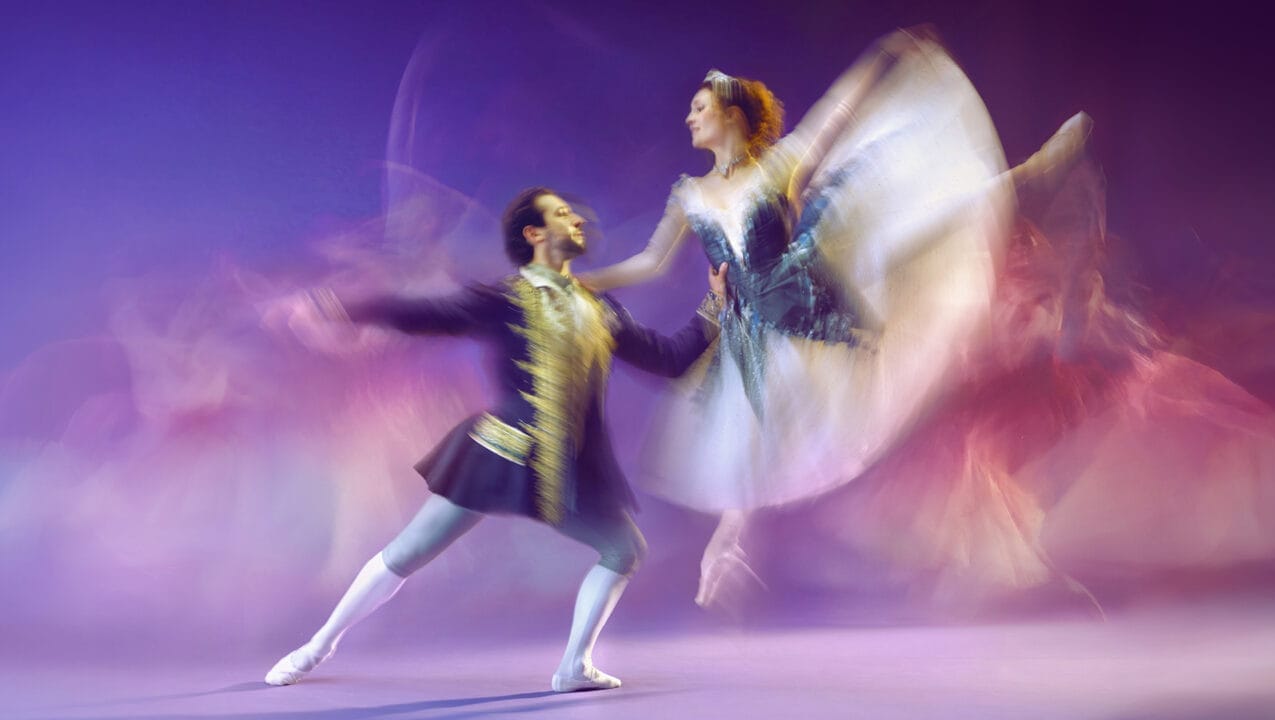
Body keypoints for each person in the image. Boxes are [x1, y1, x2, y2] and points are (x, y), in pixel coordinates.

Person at [579, 30, 1091, 605]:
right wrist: (579, 282)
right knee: (744, 429)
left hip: (805, 296)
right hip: (750, 323)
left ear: (731, 116)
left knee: (891, 227)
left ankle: (1023, 176)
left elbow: (834, 115)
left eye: (700, 108)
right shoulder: (689, 194)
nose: (689, 117)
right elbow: (650, 261)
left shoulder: (777, 168)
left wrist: (877, 63)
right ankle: (729, 543)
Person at [264, 187, 727, 692]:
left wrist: (715, 305)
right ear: (533, 234)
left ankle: (573, 666)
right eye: (561, 214)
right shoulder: (504, 298)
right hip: (500, 454)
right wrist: (336, 306)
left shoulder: (601, 309)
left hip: (568, 469)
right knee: (407, 553)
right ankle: (317, 646)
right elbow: (421, 315)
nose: (577, 219)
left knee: (623, 551)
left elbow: (669, 360)